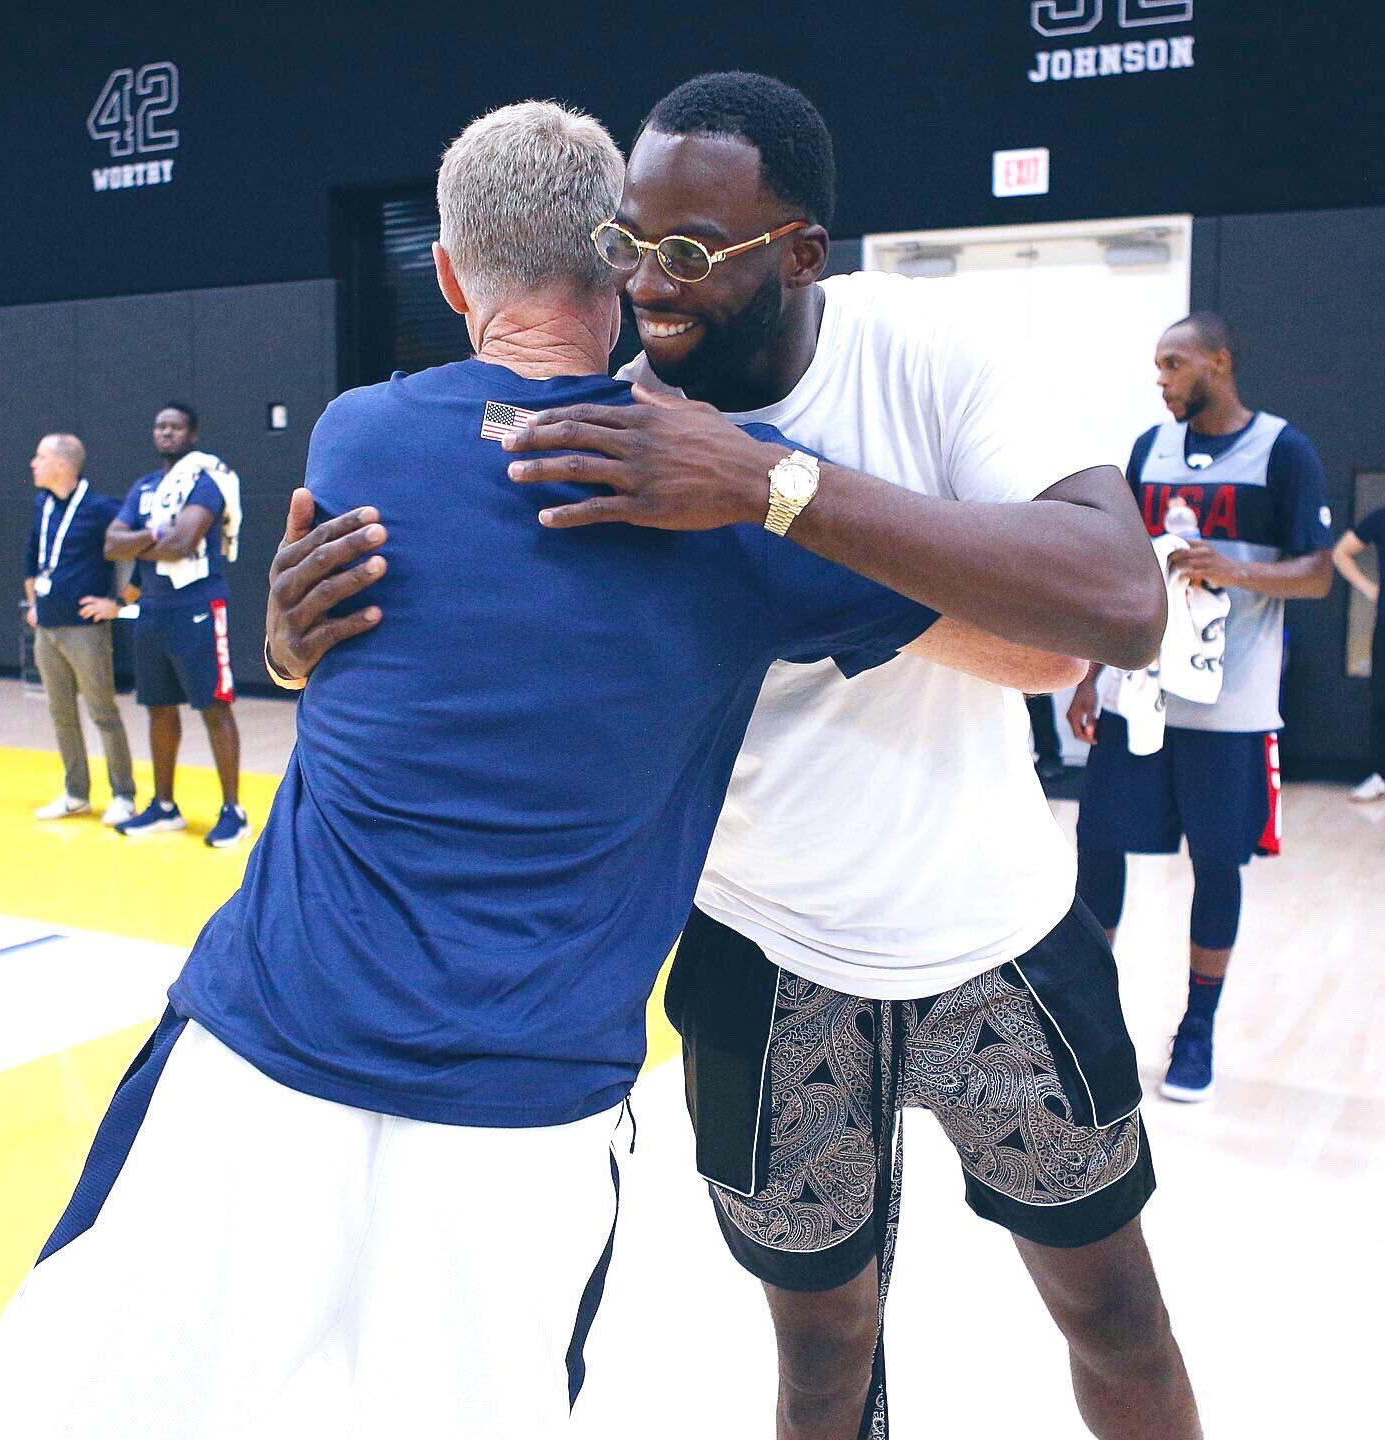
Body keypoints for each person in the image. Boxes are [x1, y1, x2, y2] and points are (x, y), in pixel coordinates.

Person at [0, 101, 1079, 1440]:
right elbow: (1041, 654)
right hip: (523, 1108)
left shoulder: (359, 438)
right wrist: (795, 517)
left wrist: (291, 654)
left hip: (260, 1050)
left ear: (445, 275)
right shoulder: (727, 501)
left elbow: (405, 613)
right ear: (627, 266)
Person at [269, 72, 1189, 1440]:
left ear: (801, 252)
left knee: (1114, 1316)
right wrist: (292, 646)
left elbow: (1106, 613)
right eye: (631, 242)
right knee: (822, 1359)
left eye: (692, 254)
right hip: (762, 948)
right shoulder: (605, 425)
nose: (649, 282)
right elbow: (449, 622)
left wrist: (769, 494)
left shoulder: (928, 349)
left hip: (992, 930)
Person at [1068, 312, 1334, 1107]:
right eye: (1158, 365)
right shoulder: (1149, 451)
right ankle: (1092, 1026)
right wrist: (1090, 674)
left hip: (1230, 706)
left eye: (1173, 363)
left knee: (1217, 865)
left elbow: (1318, 573)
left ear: (1218, 362)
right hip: (1140, 692)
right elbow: (1124, 571)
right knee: (1097, 850)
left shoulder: (1283, 450)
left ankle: (1197, 1030)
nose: (1162, 379)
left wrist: (1237, 571)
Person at [104, 404, 248, 847]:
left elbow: (182, 544)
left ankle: (233, 811)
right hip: (151, 609)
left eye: (175, 427)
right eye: (160, 426)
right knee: (158, 708)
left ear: (192, 434)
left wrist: (139, 541)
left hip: (197, 605)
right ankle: (165, 807)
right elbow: (110, 545)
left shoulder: (205, 481)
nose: (166, 433)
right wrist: (154, 536)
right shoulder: (145, 486)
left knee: (214, 707)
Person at [23, 433, 136, 827]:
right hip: (47, 628)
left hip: (85, 631)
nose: (33, 464)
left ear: (61, 465)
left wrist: (119, 603)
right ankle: (76, 793)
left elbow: (139, 548)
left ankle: (123, 795)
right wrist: (34, 603)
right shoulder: (42, 504)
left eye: (40, 457)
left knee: (102, 711)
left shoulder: (100, 508)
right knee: (61, 713)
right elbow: (32, 558)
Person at [1332, 509, 1385, 800]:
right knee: (1381, 701)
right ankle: (1380, 776)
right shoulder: (1380, 518)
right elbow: (1341, 552)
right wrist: (1370, 589)